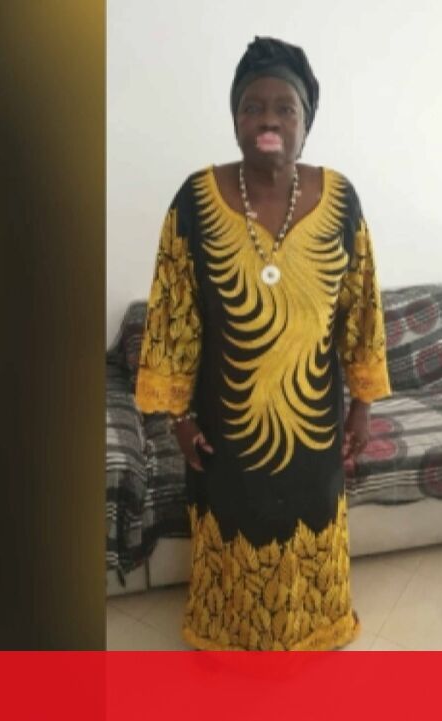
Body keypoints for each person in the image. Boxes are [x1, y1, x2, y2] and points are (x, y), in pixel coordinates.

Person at [134, 36, 391, 651]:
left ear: (306, 122)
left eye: (285, 108)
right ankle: (231, 642)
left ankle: (312, 630)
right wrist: (178, 417)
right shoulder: (195, 201)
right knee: (234, 522)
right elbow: (172, 313)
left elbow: (362, 306)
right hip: (225, 427)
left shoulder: (341, 199)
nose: (269, 120)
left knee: (311, 517)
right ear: (235, 120)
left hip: (314, 425)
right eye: (252, 107)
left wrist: (361, 406)